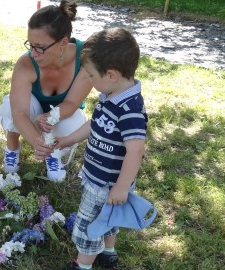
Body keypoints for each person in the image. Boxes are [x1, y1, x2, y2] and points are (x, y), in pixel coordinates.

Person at [55, 28, 146, 270]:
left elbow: (136, 150)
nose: (89, 81)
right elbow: (95, 125)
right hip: (100, 179)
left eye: (91, 76)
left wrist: (122, 187)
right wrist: (69, 139)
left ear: (111, 75)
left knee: (88, 227)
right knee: (108, 218)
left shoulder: (129, 110)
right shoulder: (111, 95)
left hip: (107, 184)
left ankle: (82, 266)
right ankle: (108, 253)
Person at [0, 0, 91, 181]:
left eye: (39, 47)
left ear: (63, 42)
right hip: (31, 110)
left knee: (74, 123)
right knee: (10, 106)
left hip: (63, 113)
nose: (33, 53)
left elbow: (71, 103)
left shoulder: (85, 57)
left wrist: (52, 115)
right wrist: (36, 142)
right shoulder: (26, 63)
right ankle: (12, 146)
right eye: (30, 45)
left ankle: (53, 154)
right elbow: (19, 111)